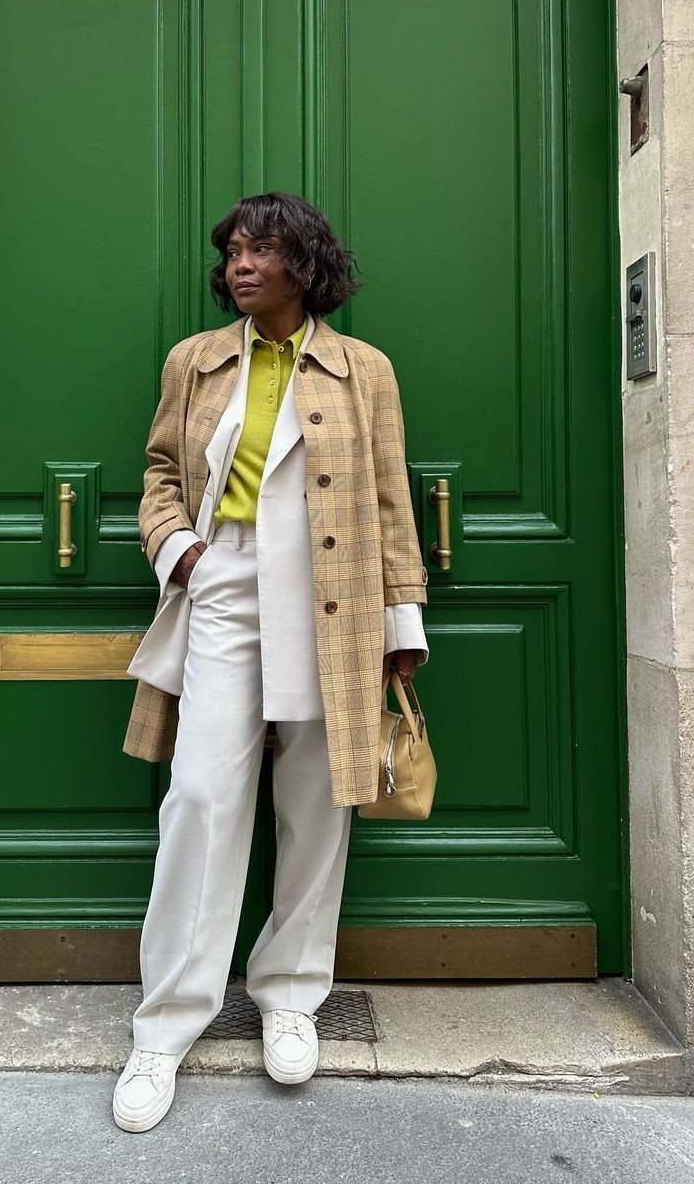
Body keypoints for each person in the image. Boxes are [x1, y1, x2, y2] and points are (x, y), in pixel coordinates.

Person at [113, 191, 429, 1132]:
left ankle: (290, 994)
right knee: (204, 795)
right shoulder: (198, 361)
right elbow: (160, 473)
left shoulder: (362, 369)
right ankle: (164, 1026)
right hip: (227, 582)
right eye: (234, 251)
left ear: (307, 263)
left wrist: (400, 623)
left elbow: (387, 497)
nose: (241, 264)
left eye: (263, 249)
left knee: (317, 801)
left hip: (333, 588)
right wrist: (182, 552)